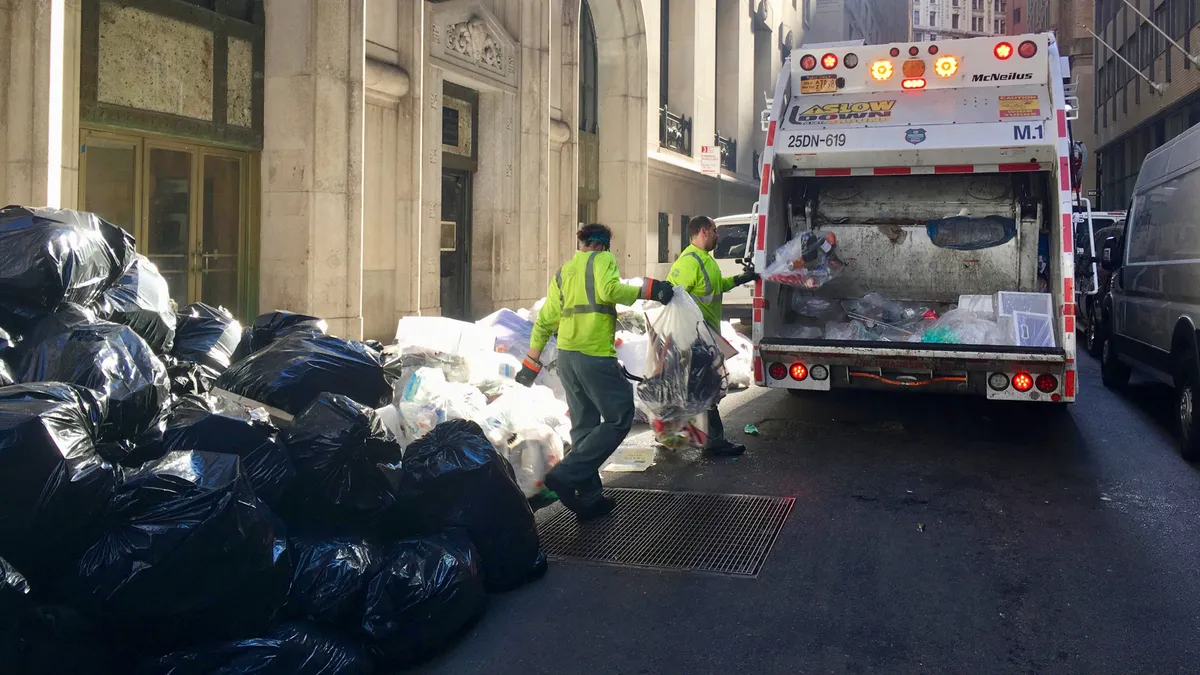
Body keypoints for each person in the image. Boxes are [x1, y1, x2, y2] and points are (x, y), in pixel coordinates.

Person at [515, 224, 675, 519]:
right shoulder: (604, 260)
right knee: (620, 416)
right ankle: (567, 472)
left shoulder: (564, 272)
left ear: (582, 244)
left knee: (584, 425)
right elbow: (609, 290)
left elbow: (545, 320)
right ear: (603, 245)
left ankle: (590, 498)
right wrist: (651, 289)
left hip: (567, 359)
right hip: (594, 356)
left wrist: (531, 364)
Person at [667, 215, 760, 457]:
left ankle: (672, 433)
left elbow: (716, 287)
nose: (718, 236)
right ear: (703, 231)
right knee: (708, 389)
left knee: (697, 390)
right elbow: (673, 298)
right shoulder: (688, 262)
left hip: (706, 336)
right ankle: (714, 442)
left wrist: (740, 279)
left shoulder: (706, 261)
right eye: (715, 231)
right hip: (696, 339)